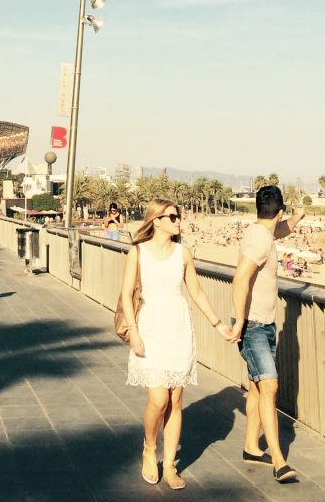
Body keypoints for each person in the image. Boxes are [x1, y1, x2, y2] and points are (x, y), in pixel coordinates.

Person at [121, 199, 234, 490]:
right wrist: (133, 331)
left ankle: (170, 465)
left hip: (178, 329)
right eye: (172, 217)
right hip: (149, 327)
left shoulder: (183, 254)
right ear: (155, 220)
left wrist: (218, 323)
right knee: (158, 400)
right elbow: (125, 294)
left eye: (178, 216)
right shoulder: (138, 252)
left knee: (175, 401)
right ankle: (149, 448)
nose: (178, 221)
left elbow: (195, 291)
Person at [230, 185, 304, 484]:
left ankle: (251, 447)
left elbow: (278, 231)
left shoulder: (258, 232)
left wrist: (297, 218)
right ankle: (278, 460)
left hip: (264, 324)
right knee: (270, 386)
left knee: (258, 388)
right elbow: (240, 279)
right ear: (279, 210)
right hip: (254, 326)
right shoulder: (260, 242)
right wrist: (239, 323)